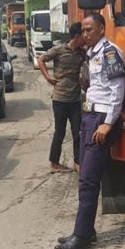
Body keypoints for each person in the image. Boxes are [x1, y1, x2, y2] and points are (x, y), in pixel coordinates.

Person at [54, 13, 125, 249]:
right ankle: (87, 230)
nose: (86, 34)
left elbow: (117, 90)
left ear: (102, 29)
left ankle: (82, 235)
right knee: (85, 174)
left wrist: (108, 123)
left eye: (90, 29)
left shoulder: (110, 52)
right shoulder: (93, 52)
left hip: (101, 119)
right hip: (89, 117)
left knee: (88, 180)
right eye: (83, 30)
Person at [38, 22, 86, 173]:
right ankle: (54, 163)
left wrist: (84, 80)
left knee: (77, 131)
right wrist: (48, 77)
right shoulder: (58, 50)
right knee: (60, 132)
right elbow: (41, 60)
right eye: (83, 35)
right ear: (77, 36)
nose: (85, 38)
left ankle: (78, 162)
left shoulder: (82, 53)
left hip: (75, 99)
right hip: (60, 99)